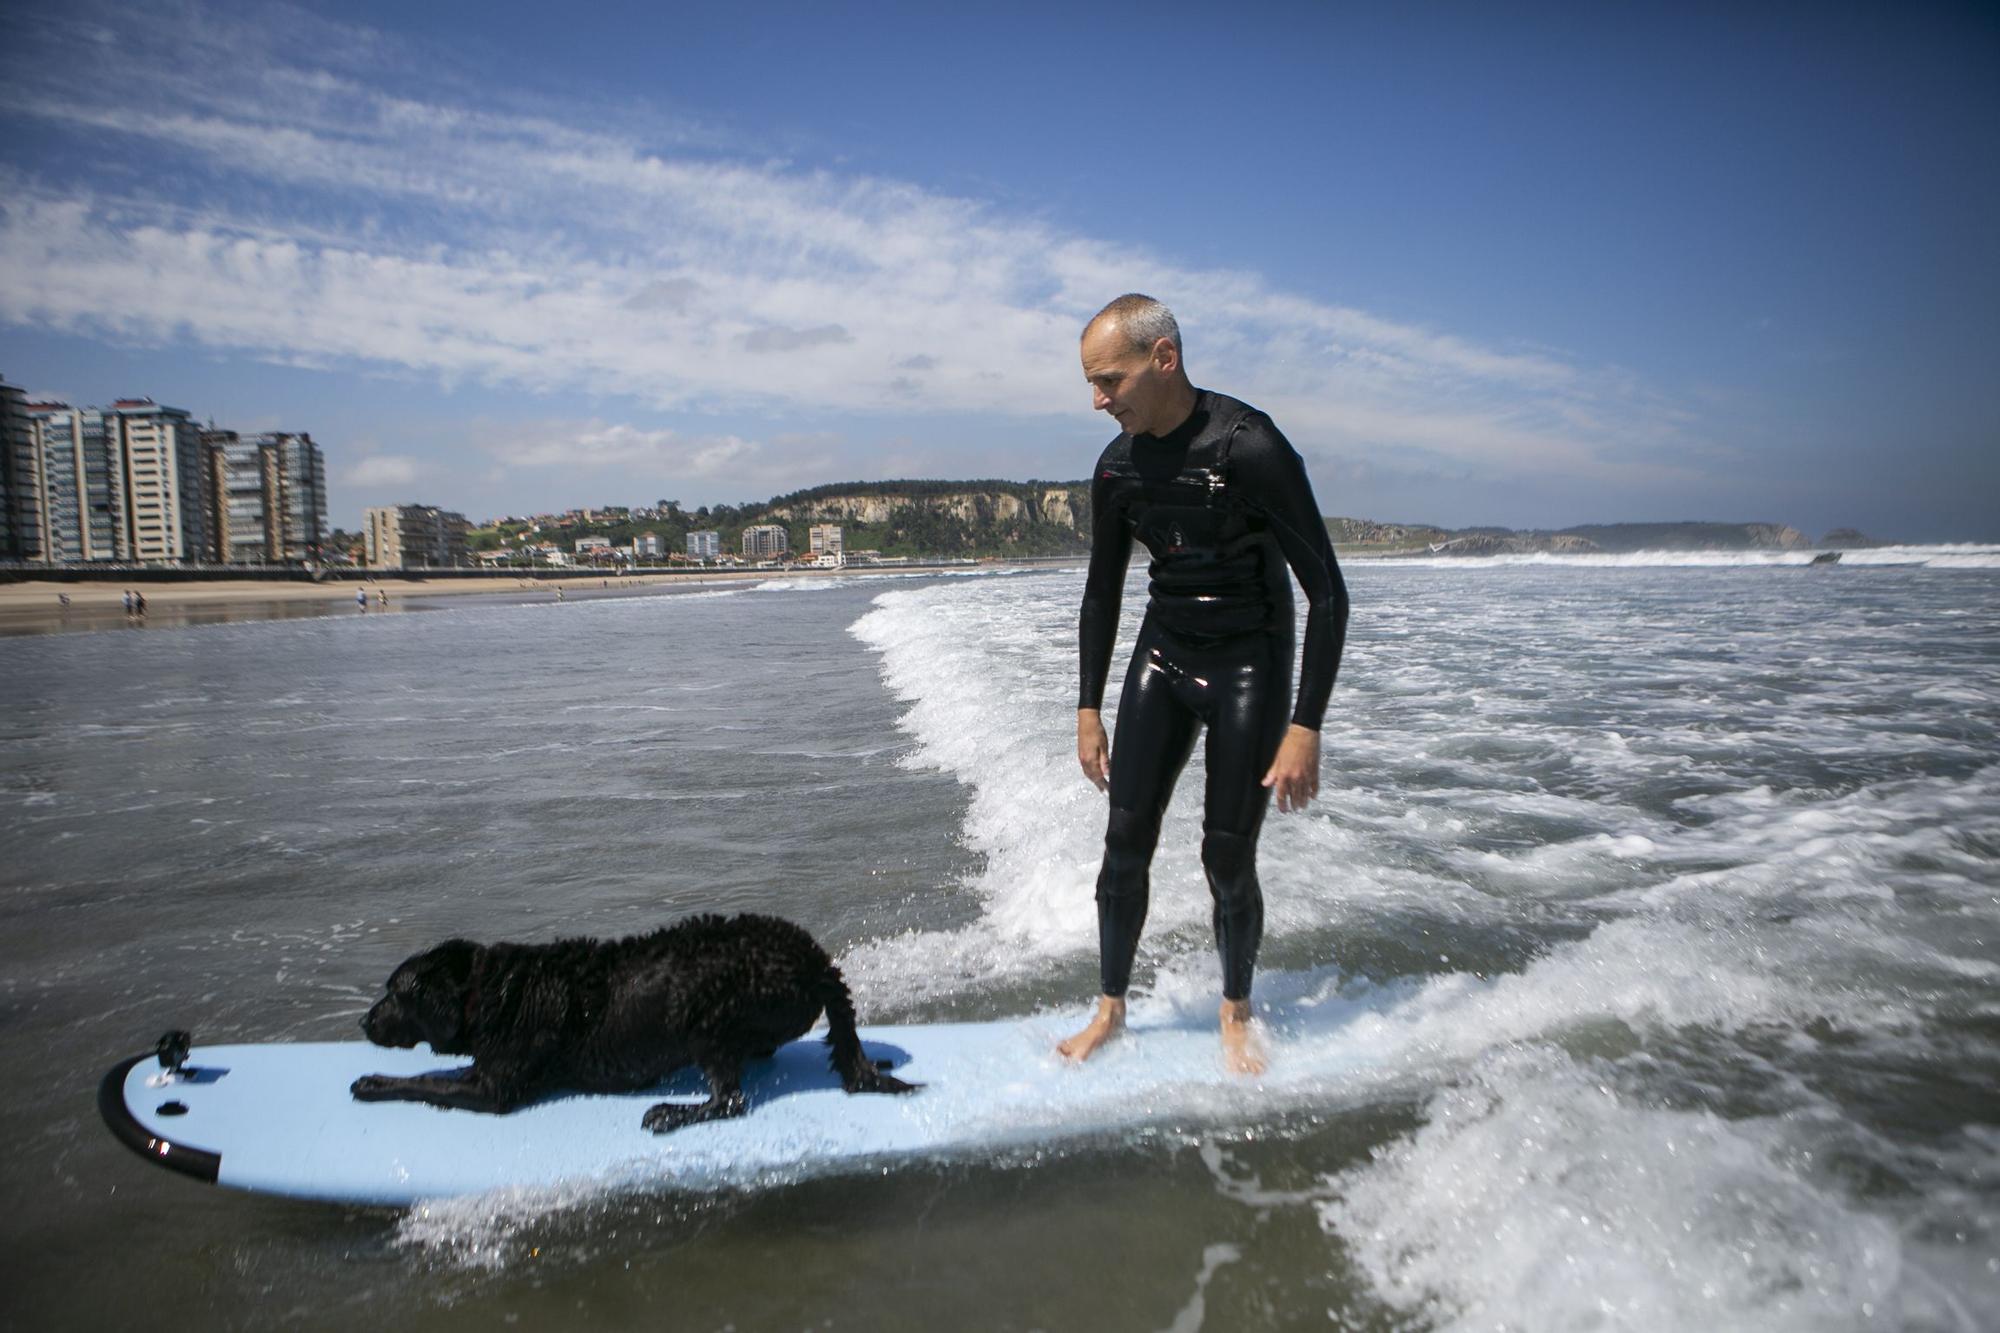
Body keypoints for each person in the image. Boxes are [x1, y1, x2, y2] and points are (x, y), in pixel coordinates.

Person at [1059, 294, 1350, 1075]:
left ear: (1164, 359)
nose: (1098, 400)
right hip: (1164, 654)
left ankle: (1235, 1009)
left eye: (1108, 380)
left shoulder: (1249, 448)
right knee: (1124, 843)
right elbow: (1103, 592)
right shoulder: (1117, 468)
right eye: (1091, 384)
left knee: (1226, 856)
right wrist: (1088, 706)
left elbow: (1326, 590)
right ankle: (1110, 1009)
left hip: (1250, 661)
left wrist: (1305, 723)